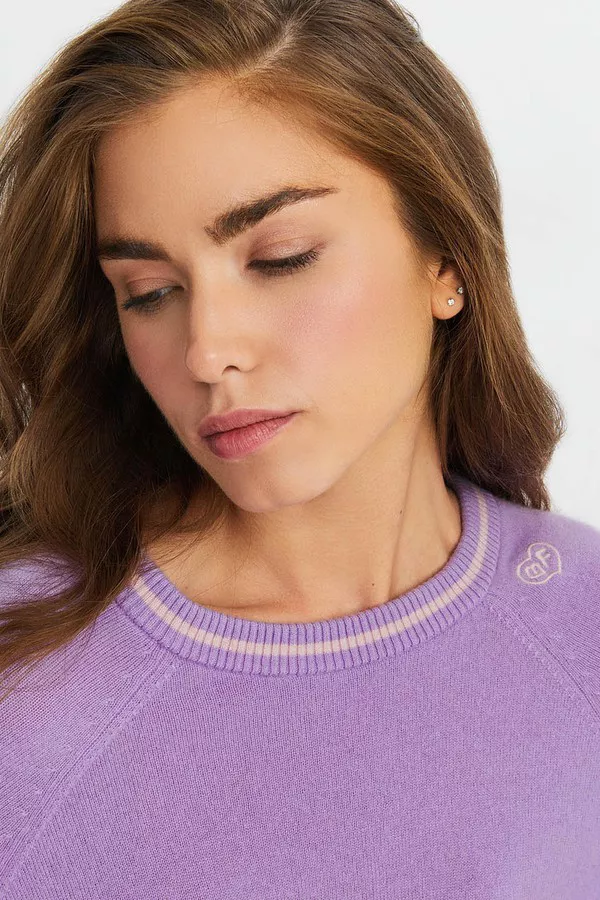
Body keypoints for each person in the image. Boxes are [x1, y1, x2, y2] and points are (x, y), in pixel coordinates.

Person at [0, 1, 598, 897]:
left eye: (280, 257)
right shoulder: (23, 675)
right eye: (149, 292)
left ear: (446, 259)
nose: (207, 351)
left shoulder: (581, 629)